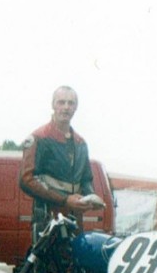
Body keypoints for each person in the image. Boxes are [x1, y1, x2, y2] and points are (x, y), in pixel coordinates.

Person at [19, 86, 102, 242]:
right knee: (47, 265)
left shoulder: (80, 143)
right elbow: (26, 179)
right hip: (47, 220)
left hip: (74, 220)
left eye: (70, 103)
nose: (66, 107)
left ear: (76, 107)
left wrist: (91, 199)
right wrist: (65, 199)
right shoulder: (38, 138)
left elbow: (86, 178)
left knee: (75, 264)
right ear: (53, 105)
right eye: (61, 102)